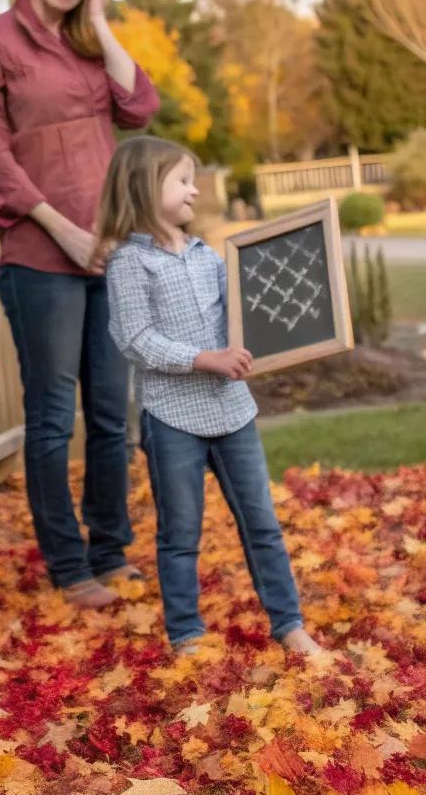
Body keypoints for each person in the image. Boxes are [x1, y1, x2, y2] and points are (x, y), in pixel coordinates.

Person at [0, 0, 159, 609]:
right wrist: (63, 230)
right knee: (52, 418)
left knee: (111, 413)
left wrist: (101, 21)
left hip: (114, 256)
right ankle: (69, 565)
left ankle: (110, 549)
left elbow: (139, 106)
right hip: (40, 257)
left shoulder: (88, 45)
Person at [97, 135, 323, 656]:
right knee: (181, 532)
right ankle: (186, 635)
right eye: (182, 180)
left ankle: (289, 624)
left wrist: (289, 328)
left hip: (233, 411)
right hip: (172, 416)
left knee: (262, 523)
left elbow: (244, 315)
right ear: (143, 187)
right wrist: (204, 359)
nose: (195, 190)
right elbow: (134, 337)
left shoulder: (208, 256)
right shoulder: (129, 263)